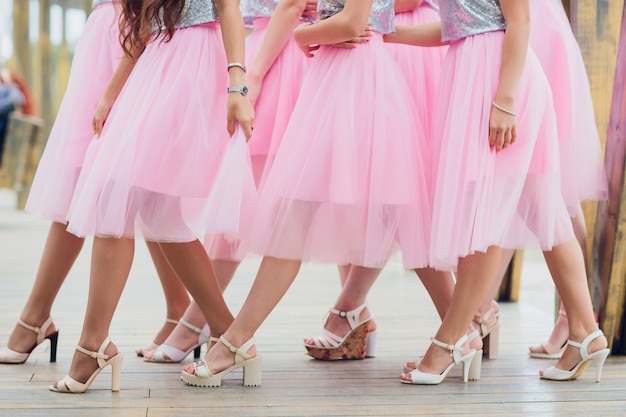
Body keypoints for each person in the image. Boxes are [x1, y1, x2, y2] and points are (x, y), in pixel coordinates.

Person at [181, 0, 432, 387]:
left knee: (359, 214)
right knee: (359, 214)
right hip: (339, 77)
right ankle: (460, 328)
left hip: (356, 80)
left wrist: (303, 33)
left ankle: (235, 340)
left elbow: (352, 20)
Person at [384, 0, 608, 384]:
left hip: (497, 84)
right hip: (472, 73)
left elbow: (520, 20)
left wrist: (505, 100)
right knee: (545, 210)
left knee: (486, 212)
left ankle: (451, 339)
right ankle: (585, 331)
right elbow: (456, 26)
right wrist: (387, 34)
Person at [49, 0, 253, 393]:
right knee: (161, 214)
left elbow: (228, 7)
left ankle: (92, 345)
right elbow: (143, 26)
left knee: (118, 197)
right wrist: (110, 93)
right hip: (154, 64)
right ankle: (231, 334)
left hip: (193, 65)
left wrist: (236, 86)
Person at [0, 0, 190, 365]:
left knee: (130, 183)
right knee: (95, 179)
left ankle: (35, 317)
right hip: (108, 33)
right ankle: (178, 309)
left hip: (130, 31)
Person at [142, 0, 317, 364]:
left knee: (270, 204)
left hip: (278, 60)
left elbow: (291, 5)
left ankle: (201, 325)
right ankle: (196, 322)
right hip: (269, 51)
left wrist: (252, 75)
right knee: (242, 200)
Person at [302, 0, 456, 361]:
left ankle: (466, 315)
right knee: (363, 191)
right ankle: (354, 309)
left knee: (401, 194)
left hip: (403, 48)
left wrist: (333, 21)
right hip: (373, 44)